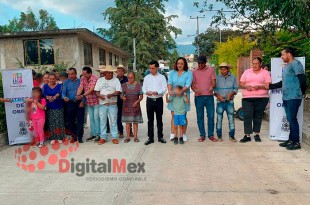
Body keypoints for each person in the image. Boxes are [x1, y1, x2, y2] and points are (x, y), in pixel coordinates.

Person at [267, 47, 306, 150]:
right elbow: (283, 82)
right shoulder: (287, 66)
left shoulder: (296, 64)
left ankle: (296, 143)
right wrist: (270, 86)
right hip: (286, 96)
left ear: (289, 54)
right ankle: (290, 140)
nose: (281, 57)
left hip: (294, 96)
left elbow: (302, 79)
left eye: (283, 54)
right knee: (290, 119)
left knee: (292, 119)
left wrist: (301, 93)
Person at [239, 57, 271, 143]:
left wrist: (259, 86)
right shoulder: (247, 72)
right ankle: (247, 135)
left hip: (261, 98)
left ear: (260, 64)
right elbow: (241, 82)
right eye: (253, 63)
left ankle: (257, 134)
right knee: (247, 116)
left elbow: (268, 84)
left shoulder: (265, 73)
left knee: (258, 116)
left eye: (256, 63)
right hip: (247, 98)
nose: (254, 65)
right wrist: (246, 86)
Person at [192, 56, 217, 142]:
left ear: (205, 63)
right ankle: (202, 135)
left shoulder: (211, 70)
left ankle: (211, 135)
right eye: (199, 63)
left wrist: (212, 87)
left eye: (202, 63)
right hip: (198, 97)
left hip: (209, 96)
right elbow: (192, 84)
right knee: (200, 116)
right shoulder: (194, 71)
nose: (200, 65)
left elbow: (214, 81)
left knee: (211, 116)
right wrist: (195, 90)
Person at [167, 57, 193, 142]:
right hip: (174, 97)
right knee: (173, 115)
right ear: (176, 64)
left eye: (182, 63)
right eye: (178, 63)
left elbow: (188, 84)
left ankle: (183, 134)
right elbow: (170, 83)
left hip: (184, 96)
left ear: (185, 64)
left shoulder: (188, 73)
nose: (180, 65)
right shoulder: (172, 73)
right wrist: (170, 91)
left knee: (183, 116)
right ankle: (173, 133)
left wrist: (180, 92)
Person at [94, 65, 122, 145]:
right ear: (105, 73)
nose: (111, 74)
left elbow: (118, 91)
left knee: (113, 121)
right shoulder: (100, 80)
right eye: (109, 73)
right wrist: (100, 96)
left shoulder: (116, 80)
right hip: (103, 104)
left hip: (112, 104)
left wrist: (112, 94)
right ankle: (103, 137)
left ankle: (114, 137)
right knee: (103, 121)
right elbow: (96, 91)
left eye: (111, 73)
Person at [142, 60, 167, 145]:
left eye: (153, 68)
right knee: (150, 120)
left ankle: (160, 137)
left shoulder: (162, 77)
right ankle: (150, 138)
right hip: (149, 100)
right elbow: (143, 88)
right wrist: (146, 92)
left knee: (159, 119)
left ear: (157, 68)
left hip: (159, 100)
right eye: (150, 68)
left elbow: (164, 88)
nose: (151, 70)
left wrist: (158, 92)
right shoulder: (146, 77)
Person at [214, 62, 238, 142]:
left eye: (224, 69)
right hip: (220, 102)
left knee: (231, 119)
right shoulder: (217, 78)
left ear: (228, 69)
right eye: (221, 69)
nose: (222, 70)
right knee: (219, 119)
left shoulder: (233, 77)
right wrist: (218, 96)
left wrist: (230, 94)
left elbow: (235, 88)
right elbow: (215, 89)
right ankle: (219, 136)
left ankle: (232, 136)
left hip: (230, 102)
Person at [78, 66, 101, 142]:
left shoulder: (95, 78)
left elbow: (91, 89)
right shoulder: (82, 79)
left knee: (96, 117)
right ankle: (93, 134)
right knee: (91, 118)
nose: (84, 76)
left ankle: (98, 134)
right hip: (89, 101)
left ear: (90, 73)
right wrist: (77, 95)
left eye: (85, 74)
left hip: (96, 101)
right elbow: (81, 87)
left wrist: (83, 95)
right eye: (83, 74)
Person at [62, 68, 85, 143]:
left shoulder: (80, 81)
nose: (70, 76)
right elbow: (63, 93)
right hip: (69, 103)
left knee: (80, 120)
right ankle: (74, 136)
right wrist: (64, 97)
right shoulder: (65, 82)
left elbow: (84, 92)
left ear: (76, 74)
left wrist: (83, 101)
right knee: (70, 121)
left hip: (79, 102)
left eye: (72, 74)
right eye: (69, 74)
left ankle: (80, 136)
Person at [42, 73, 65, 144]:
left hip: (58, 106)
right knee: (51, 122)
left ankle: (59, 137)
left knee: (58, 122)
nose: (51, 80)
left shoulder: (59, 85)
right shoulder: (45, 86)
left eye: (53, 79)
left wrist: (55, 96)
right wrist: (48, 97)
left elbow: (60, 92)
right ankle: (53, 137)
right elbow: (44, 93)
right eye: (50, 79)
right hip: (49, 106)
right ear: (48, 79)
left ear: (56, 79)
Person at [121, 72, 143, 143]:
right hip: (126, 105)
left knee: (135, 122)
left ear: (134, 77)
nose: (130, 79)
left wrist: (137, 102)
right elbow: (121, 95)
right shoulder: (124, 85)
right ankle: (127, 137)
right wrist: (122, 97)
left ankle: (135, 137)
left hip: (135, 105)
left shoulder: (138, 85)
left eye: (132, 78)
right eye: (129, 78)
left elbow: (141, 96)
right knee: (127, 122)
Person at [116, 65, 128, 138]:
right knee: (119, 116)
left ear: (124, 72)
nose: (120, 72)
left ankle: (130, 131)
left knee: (128, 116)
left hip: (126, 100)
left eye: (121, 71)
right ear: (117, 72)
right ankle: (120, 131)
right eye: (119, 71)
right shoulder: (115, 79)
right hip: (118, 101)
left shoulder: (127, 79)